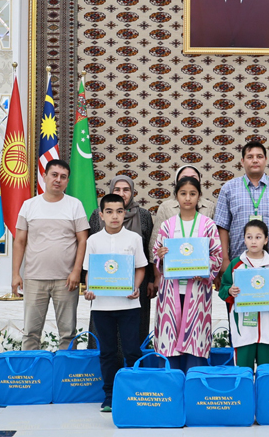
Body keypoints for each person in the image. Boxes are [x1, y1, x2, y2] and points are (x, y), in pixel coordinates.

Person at [11, 159, 88, 351]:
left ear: (67, 181)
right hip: (35, 278)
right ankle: (31, 376)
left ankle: (65, 375)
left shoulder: (75, 205)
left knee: (68, 333)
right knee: (31, 332)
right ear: (44, 177)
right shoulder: (29, 205)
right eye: (54, 175)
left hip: (66, 279)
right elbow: (19, 241)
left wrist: (76, 271)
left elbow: (83, 240)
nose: (58, 180)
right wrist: (15, 274)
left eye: (63, 177)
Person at [83, 193, 148, 412]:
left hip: (129, 306)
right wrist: (89, 289)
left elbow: (140, 267)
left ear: (125, 213)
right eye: (109, 212)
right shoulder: (93, 240)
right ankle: (110, 396)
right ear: (101, 215)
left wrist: (136, 286)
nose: (114, 216)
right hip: (102, 306)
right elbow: (89, 272)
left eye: (119, 211)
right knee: (108, 352)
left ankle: (135, 391)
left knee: (131, 350)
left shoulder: (134, 239)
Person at [152, 176, 223, 371]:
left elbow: (217, 254)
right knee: (170, 335)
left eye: (192, 194)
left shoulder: (208, 224)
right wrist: (160, 255)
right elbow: (157, 253)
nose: (188, 198)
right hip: (170, 291)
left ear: (199, 197)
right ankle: (170, 382)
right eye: (183, 194)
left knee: (195, 335)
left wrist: (205, 270)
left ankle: (194, 381)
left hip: (197, 290)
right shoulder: (167, 225)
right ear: (176, 197)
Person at [214, 140, 269, 276]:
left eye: (259, 156)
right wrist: (224, 258)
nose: (255, 160)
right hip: (238, 262)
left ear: (266, 160)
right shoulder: (228, 188)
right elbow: (222, 226)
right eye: (250, 157)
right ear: (242, 161)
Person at [88, 175, 154, 341]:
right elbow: (92, 254)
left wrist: (151, 280)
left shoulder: (144, 215)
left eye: (126, 190)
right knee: (105, 337)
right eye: (117, 189)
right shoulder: (97, 215)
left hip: (135, 284)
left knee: (133, 334)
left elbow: (148, 249)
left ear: (132, 192)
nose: (122, 193)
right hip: (104, 285)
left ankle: (133, 366)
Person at [219, 220, 269, 368]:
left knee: (267, 374)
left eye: (258, 237)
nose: (253, 241)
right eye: (249, 237)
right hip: (243, 330)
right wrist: (230, 291)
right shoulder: (236, 264)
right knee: (243, 373)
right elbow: (223, 289)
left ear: (266, 240)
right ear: (244, 239)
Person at [149, 165, 217, 256]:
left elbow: (216, 247)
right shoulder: (166, 208)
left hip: (201, 266)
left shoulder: (210, 207)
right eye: (184, 178)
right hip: (174, 265)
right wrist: (159, 258)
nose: (188, 198)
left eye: (193, 177)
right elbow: (156, 247)